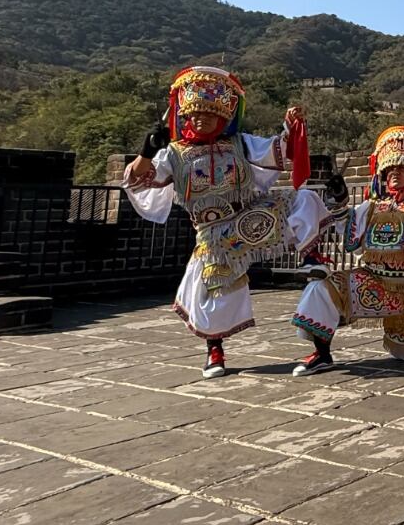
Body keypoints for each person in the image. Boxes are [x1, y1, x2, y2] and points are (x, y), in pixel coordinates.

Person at [123, 66, 332, 379]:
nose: (201, 120)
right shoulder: (173, 155)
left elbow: (279, 150)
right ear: (184, 117)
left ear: (223, 117)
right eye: (195, 115)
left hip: (251, 216)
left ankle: (311, 257)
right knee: (212, 288)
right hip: (213, 233)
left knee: (304, 200)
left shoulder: (240, 143)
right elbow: (137, 181)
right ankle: (215, 350)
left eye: (208, 115)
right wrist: (146, 152)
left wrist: (291, 127)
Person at [289, 125, 404, 373]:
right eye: (389, 168)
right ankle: (322, 354)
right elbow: (350, 239)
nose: (394, 173)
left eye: (401, 168)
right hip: (368, 280)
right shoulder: (371, 206)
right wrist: (338, 201)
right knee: (319, 289)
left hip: (402, 289)